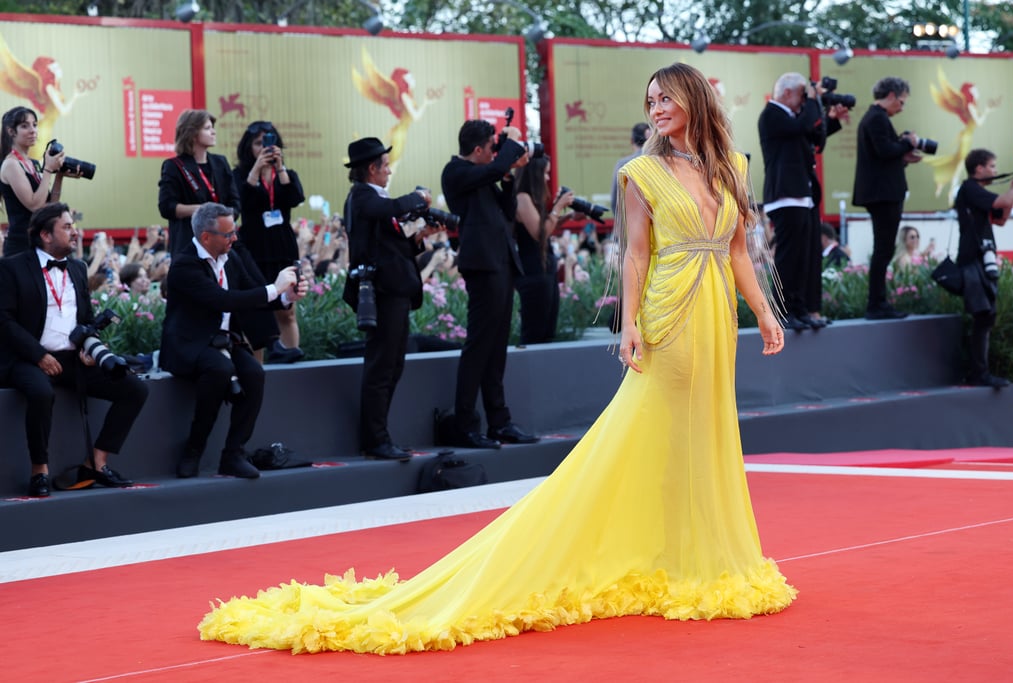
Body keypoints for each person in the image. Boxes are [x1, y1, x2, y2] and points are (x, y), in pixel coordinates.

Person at [198, 62, 795, 655]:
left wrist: (764, 312)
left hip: (716, 314)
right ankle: (663, 556)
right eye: (650, 100)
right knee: (656, 432)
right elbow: (636, 255)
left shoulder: (732, 168)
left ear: (693, 98)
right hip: (669, 314)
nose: (657, 108)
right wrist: (630, 322)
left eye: (666, 97)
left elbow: (737, 250)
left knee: (709, 431)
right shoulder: (641, 171)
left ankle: (699, 555)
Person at [0, 203, 149, 497]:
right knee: (41, 392)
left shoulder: (79, 268)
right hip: (27, 358)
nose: (74, 232)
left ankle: (96, 462)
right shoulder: (12, 267)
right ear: (45, 234)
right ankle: (39, 471)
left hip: (73, 358)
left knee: (134, 389)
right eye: (67, 227)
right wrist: (38, 356)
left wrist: (88, 346)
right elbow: (4, 320)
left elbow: (84, 319)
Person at [159, 202, 307, 479]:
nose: (235, 238)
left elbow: (252, 294)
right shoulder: (184, 264)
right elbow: (223, 300)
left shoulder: (232, 256)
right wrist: (275, 288)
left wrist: (287, 296)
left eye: (234, 232)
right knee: (220, 369)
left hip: (224, 341)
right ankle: (194, 448)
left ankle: (233, 454)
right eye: (228, 234)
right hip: (189, 344)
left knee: (254, 373)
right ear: (206, 237)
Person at [437, 119, 537, 449]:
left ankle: (499, 422)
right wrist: (509, 142)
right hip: (482, 267)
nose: (495, 152)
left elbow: (508, 208)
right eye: (492, 147)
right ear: (479, 149)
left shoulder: (487, 175)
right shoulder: (455, 173)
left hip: (501, 264)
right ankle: (466, 424)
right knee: (479, 346)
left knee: (496, 347)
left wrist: (509, 174)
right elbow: (492, 170)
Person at [341, 137, 432, 461]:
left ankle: (381, 436)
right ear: (371, 169)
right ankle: (375, 439)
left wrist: (419, 239)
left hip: (396, 291)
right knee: (382, 367)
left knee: (393, 365)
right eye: (385, 165)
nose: (389, 171)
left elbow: (394, 246)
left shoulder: (376, 200)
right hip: (382, 293)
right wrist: (418, 198)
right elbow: (390, 208)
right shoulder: (363, 197)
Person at [758, 73, 844, 331]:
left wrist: (829, 119)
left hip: (802, 195)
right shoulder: (772, 114)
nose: (804, 101)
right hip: (785, 195)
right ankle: (782, 311)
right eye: (802, 95)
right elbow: (802, 127)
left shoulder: (794, 119)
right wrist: (816, 99)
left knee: (803, 258)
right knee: (788, 257)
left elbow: (816, 138)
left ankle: (799, 309)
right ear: (786, 93)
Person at [233, 121, 306, 364]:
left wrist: (280, 168)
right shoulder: (241, 175)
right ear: (248, 147)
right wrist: (256, 170)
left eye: (269, 142)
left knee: (287, 311)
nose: (265, 148)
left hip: (282, 247)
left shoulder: (286, 174)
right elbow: (238, 203)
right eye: (258, 143)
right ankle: (259, 370)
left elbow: (295, 197)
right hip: (253, 249)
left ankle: (291, 360)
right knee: (258, 311)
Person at [853, 76, 923, 320]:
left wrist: (903, 156)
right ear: (891, 95)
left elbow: (882, 156)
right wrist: (907, 143)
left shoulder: (876, 118)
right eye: (902, 102)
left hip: (882, 192)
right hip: (883, 195)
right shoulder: (876, 118)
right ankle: (876, 304)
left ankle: (879, 303)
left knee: (884, 249)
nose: (902, 108)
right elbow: (884, 151)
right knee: (883, 250)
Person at [954, 149, 1013, 387]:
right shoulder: (970, 188)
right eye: (992, 166)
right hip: (972, 260)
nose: (995, 170)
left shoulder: (978, 192)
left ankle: (979, 372)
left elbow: (1000, 218)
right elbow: (1002, 201)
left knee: (987, 316)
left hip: (983, 259)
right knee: (983, 316)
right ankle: (978, 373)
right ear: (980, 168)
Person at [157, 110, 240, 256]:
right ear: (192, 134)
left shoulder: (221, 162)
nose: (213, 132)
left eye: (212, 128)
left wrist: (221, 217)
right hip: (189, 242)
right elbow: (167, 207)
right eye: (207, 128)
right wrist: (203, 211)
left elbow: (235, 205)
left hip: (222, 244)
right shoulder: (174, 166)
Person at [513, 155, 575, 344]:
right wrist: (558, 208)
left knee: (548, 332)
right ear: (535, 174)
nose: (547, 179)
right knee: (535, 333)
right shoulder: (522, 197)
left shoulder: (530, 198)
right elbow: (539, 234)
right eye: (545, 173)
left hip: (544, 269)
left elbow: (544, 229)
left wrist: (567, 217)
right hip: (533, 273)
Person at [1, 106, 69, 256]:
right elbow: (34, 206)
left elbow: (50, 208)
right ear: (11, 131)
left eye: (35, 125)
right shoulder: (11, 164)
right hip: (21, 247)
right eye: (24, 126)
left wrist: (59, 175)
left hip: (41, 243)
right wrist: (48, 170)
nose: (32, 130)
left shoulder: (34, 163)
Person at [609, 122, 651, 214]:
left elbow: (615, 200)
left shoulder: (623, 164)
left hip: (630, 220)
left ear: (631, 141)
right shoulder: (659, 161)